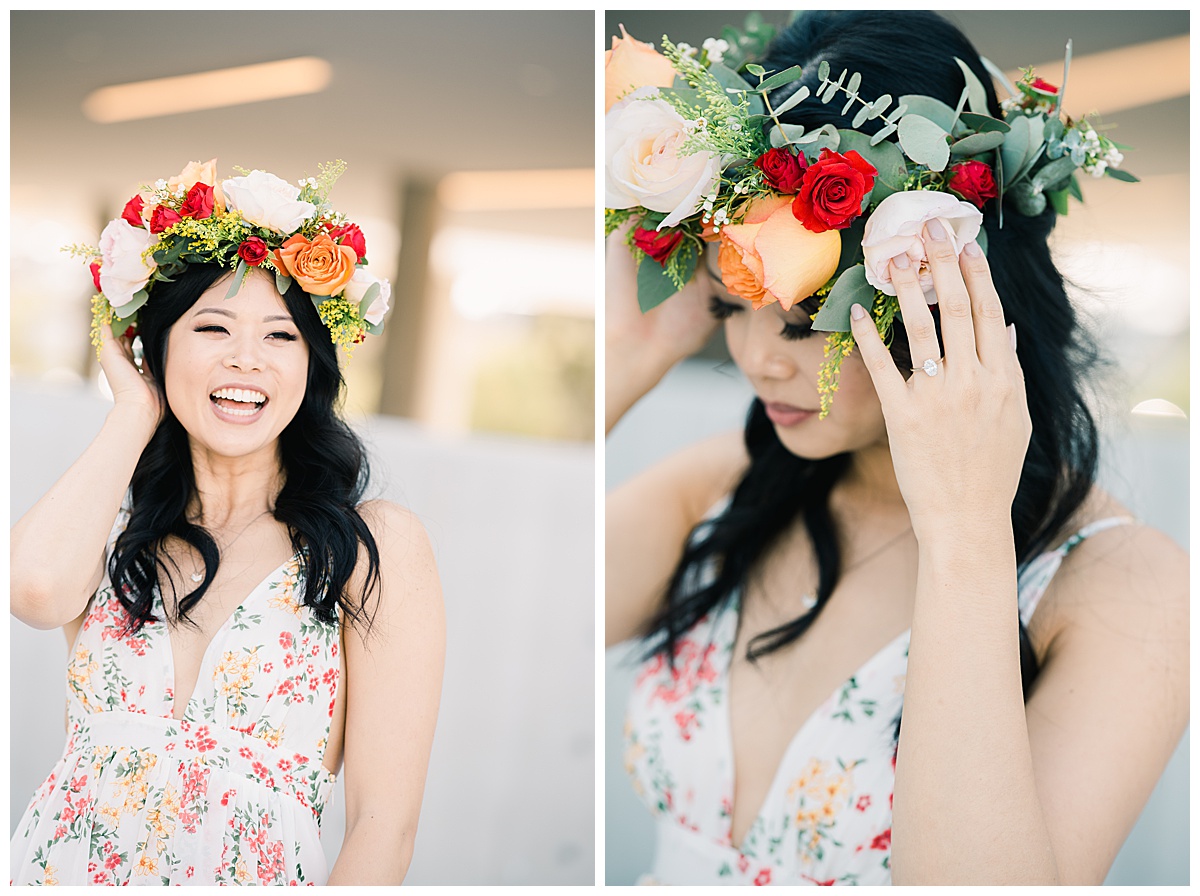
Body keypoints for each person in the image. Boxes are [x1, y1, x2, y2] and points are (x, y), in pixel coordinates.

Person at [605, 11, 1187, 886]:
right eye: (733, 309)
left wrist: (964, 533)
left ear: (955, 289)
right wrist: (631, 355)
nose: (757, 359)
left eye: (805, 321)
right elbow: (462, 617)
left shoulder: (1126, 587)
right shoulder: (724, 489)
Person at [10, 161, 444, 885]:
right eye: (212, 326)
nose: (247, 358)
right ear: (155, 348)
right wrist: (133, 410)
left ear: (313, 362)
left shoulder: (370, 546)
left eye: (281, 336)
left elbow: (384, 828)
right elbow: (32, 591)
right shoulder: (111, 539)